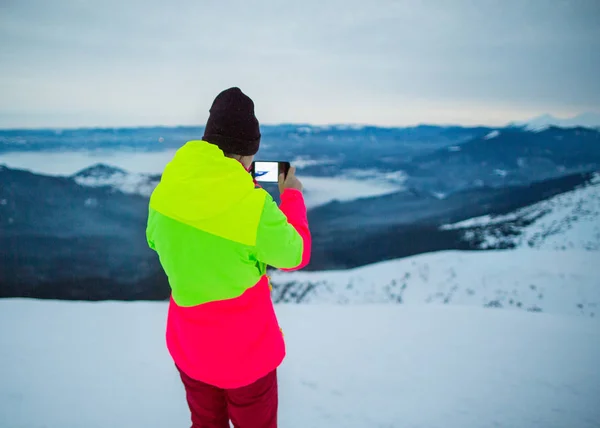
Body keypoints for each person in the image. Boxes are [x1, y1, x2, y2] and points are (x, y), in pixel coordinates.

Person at [146, 87, 311, 428]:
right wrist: (291, 197)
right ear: (247, 154)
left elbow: (154, 239)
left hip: (189, 348)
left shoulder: (168, 189)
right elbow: (296, 254)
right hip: (247, 356)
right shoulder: (253, 208)